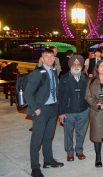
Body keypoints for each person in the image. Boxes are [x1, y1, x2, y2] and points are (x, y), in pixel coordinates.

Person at [24, 48, 63, 177]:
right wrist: (35, 108)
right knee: (36, 140)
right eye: (46, 56)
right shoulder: (37, 73)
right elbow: (28, 93)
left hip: (53, 108)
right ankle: (35, 168)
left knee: (48, 137)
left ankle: (48, 160)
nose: (49, 58)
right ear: (42, 59)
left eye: (51, 56)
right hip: (42, 110)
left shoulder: (53, 71)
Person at [58, 55, 89, 162]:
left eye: (78, 64)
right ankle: (70, 152)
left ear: (81, 66)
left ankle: (79, 151)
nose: (76, 66)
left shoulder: (86, 78)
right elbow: (59, 96)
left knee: (81, 132)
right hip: (68, 112)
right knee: (68, 133)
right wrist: (61, 112)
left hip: (83, 111)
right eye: (74, 64)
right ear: (71, 65)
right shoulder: (64, 78)